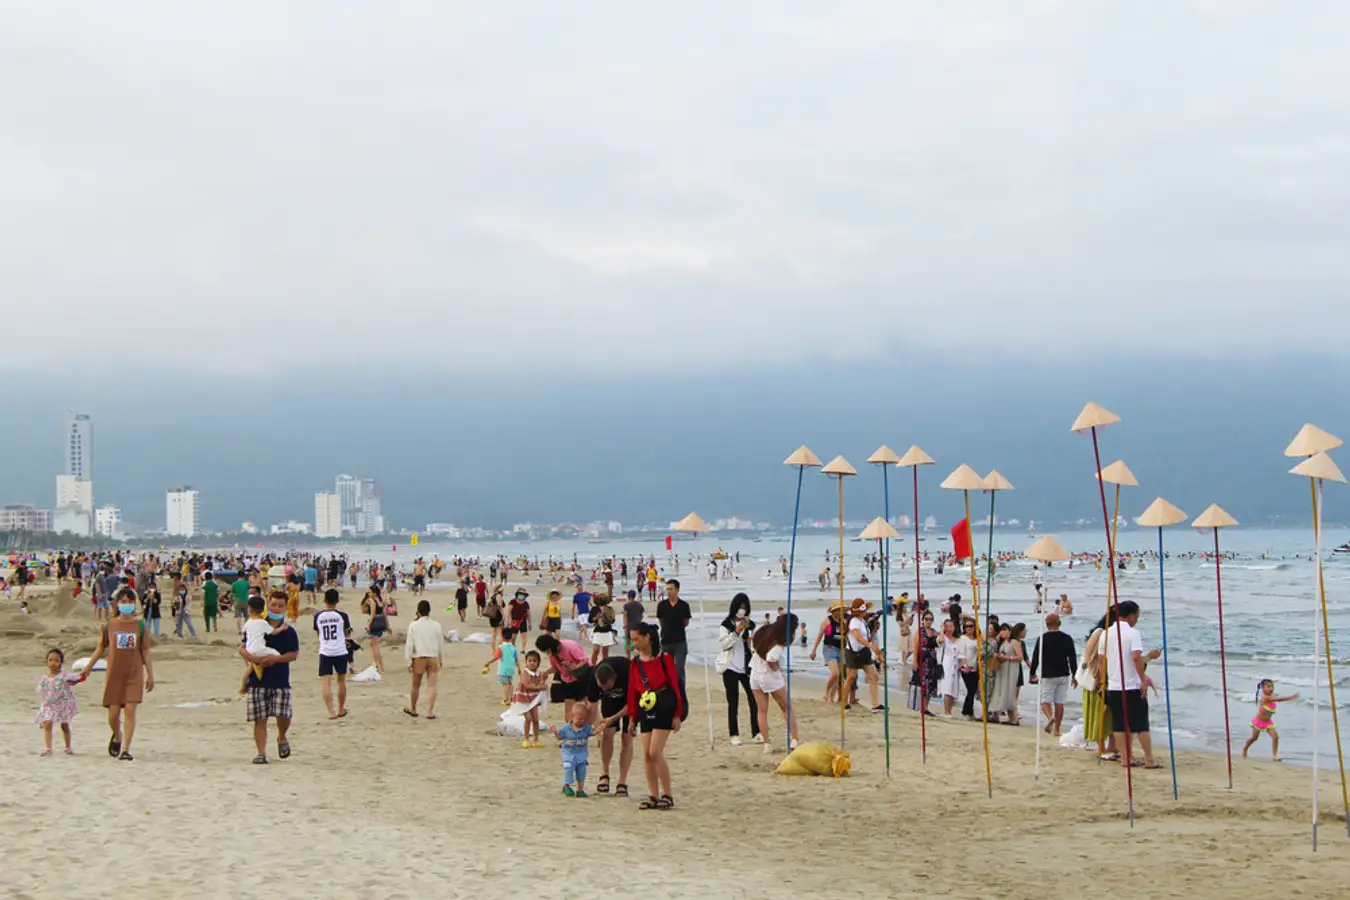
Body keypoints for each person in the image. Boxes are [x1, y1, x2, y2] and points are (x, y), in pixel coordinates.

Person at [600, 622, 682, 810]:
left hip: (664, 706)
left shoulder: (665, 658)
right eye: (632, 640)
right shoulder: (635, 663)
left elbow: (675, 687)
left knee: (655, 751)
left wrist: (677, 714)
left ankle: (667, 794)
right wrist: (631, 717)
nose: (634, 643)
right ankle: (653, 796)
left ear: (648, 637)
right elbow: (632, 692)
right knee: (646, 754)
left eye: (637, 639)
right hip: (645, 708)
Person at [80, 587, 155, 761]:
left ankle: (126, 750)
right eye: (123, 601)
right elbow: (101, 648)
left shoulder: (141, 626)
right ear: (117, 604)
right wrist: (88, 667)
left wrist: (150, 675)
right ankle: (116, 735)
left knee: (130, 710)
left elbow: (145, 651)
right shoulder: (109, 625)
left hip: (134, 673)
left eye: (130, 601)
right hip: (114, 673)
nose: (126, 604)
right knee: (113, 714)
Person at [238, 592, 300, 764]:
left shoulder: (289, 632)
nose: (276, 608)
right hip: (258, 680)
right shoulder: (257, 625)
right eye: (273, 605)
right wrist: (254, 659)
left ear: (286, 608)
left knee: (283, 715)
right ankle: (261, 752)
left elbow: (294, 655)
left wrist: (275, 659)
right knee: (260, 718)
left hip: (280, 679)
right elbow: (243, 647)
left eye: (280, 605)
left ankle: (281, 737)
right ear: (267, 606)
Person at [1103, 600, 1162, 769]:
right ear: (1130, 615)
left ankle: (1125, 758)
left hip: (1114, 685)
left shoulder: (1106, 633)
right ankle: (1149, 759)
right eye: (1137, 615)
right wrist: (1143, 678)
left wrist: (1104, 681)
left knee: (1119, 724)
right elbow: (1136, 658)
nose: (1137, 619)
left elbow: (1102, 659)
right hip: (1131, 685)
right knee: (1140, 724)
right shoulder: (1133, 633)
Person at [750, 613, 800, 753]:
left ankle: (766, 744)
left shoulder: (763, 631)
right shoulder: (779, 642)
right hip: (770, 676)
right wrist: (776, 667)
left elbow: (753, 646)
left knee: (761, 710)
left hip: (755, 674)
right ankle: (794, 739)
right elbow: (771, 658)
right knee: (786, 707)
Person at [715, 593, 761, 746]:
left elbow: (755, 645)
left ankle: (756, 732)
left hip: (747, 667)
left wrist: (751, 641)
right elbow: (723, 645)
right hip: (730, 667)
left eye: (745, 608)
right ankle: (734, 734)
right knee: (733, 701)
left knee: (753, 699)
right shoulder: (726, 625)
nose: (742, 610)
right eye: (740, 607)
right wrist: (737, 631)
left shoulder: (751, 625)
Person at [588, 658, 634, 798]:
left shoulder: (629, 673)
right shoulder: (594, 676)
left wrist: (612, 719)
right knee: (607, 735)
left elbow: (632, 705)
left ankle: (622, 781)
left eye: (607, 687)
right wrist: (593, 729)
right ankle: (605, 774)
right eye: (601, 688)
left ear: (614, 679)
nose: (603, 689)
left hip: (630, 702)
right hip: (610, 701)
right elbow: (592, 707)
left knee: (627, 738)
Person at [1029, 613, 1077, 736]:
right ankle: (1057, 730)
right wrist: (1075, 675)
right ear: (1059, 623)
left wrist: (1032, 672)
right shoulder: (1067, 638)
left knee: (1045, 701)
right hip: (1063, 673)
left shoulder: (1042, 638)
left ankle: (1050, 717)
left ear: (1047, 624)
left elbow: (1036, 657)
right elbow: (1072, 658)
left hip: (1048, 674)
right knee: (1059, 702)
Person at [35, 647, 81, 756]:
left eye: (56, 660)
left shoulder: (64, 675)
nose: (53, 663)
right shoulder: (45, 678)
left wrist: (80, 676)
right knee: (47, 724)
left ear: (61, 662)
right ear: (46, 662)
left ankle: (68, 747)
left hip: (63, 705)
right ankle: (48, 749)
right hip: (49, 705)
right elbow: (42, 690)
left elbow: (74, 680)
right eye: (50, 660)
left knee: (64, 726)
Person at [314, 588, 351, 720]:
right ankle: (341, 709)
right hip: (340, 650)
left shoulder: (318, 616)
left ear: (324, 600)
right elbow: (347, 632)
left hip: (325, 651)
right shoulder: (342, 615)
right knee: (341, 681)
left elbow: (318, 633)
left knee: (326, 682)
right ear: (337, 601)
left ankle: (331, 712)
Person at [536, 633, 591, 721]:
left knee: (589, 704)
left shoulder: (570, 646)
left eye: (547, 651)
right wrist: (547, 672)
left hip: (583, 676)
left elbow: (584, 660)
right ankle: (569, 730)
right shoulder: (552, 654)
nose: (548, 653)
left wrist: (574, 667)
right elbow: (556, 667)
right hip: (568, 680)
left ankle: (594, 727)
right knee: (569, 706)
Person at [548, 701, 598, 797]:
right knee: (569, 770)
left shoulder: (586, 728)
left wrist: (600, 728)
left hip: (581, 755)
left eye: (583, 719)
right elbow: (559, 737)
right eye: (579, 719)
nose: (581, 721)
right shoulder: (566, 728)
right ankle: (566, 786)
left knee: (582, 772)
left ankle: (580, 790)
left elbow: (593, 732)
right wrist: (555, 732)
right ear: (572, 716)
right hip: (569, 754)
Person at [404, 600, 443, 718]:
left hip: (419, 656)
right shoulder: (436, 625)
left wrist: (408, 661)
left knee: (416, 685)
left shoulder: (413, 625)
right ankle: (430, 712)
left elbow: (410, 644)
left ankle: (413, 708)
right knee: (432, 685)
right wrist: (441, 658)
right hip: (433, 656)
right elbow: (440, 643)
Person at [1243, 678, 1299, 762]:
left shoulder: (1272, 697)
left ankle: (1274, 755)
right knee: (1254, 738)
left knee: (1275, 737)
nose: (1271, 688)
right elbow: (1279, 699)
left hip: (1268, 722)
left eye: (1272, 686)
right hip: (1258, 722)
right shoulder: (1265, 698)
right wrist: (1291, 697)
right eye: (1268, 686)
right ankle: (1244, 749)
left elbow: (1276, 699)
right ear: (1263, 688)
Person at [843, 599, 883, 712]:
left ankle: (875, 704)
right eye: (865, 609)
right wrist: (871, 646)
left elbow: (866, 637)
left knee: (873, 675)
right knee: (851, 678)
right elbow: (858, 638)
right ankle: (844, 702)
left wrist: (874, 633)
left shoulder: (863, 622)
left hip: (864, 651)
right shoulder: (854, 622)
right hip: (853, 653)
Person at [656, 579, 692, 685]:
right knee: (666, 669)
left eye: (671, 589)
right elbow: (661, 621)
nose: (669, 592)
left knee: (679, 668)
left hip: (680, 641)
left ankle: (681, 690)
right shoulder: (662, 605)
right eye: (667, 589)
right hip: (666, 641)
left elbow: (686, 622)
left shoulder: (684, 605)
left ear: (677, 590)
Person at [809, 602, 845, 704]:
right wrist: (814, 650)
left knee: (838, 676)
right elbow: (819, 635)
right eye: (837, 610)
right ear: (833, 611)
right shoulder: (827, 621)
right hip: (829, 648)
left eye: (840, 610)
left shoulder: (843, 621)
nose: (839, 612)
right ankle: (826, 693)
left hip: (841, 649)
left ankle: (831, 698)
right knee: (834, 673)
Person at [511, 650, 548, 748]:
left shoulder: (538, 673)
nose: (532, 663)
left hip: (533, 698)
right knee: (528, 718)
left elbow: (540, 683)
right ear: (526, 662)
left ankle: (535, 739)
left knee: (536, 719)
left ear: (538, 663)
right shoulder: (525, 673)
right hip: (523, 698)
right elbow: (526, 685)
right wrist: (540, 687)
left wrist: (544, 680)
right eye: (530, 660)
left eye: (534, 661)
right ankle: (526, 739)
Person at [989, 623, 1020, 724]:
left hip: (1011, 668)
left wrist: (1008, 658)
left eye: (1005, 630)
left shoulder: (1014, 642)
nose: (1003, 632)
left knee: (1009, 690)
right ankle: (999, 714)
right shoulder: (1001, 643)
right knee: (1001, 689)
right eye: (1001, 630)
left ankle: (1014, 717)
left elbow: (1020, 657)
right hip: (1002, 669)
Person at [908, 610, 938, 716]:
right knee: (923, 684)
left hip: (932, 661)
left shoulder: (934, 632)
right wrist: (915, 661)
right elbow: (915, 647)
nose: (928, 621)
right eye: (926, 619)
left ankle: (925, 707)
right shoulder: (920, 632)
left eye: (930, 619)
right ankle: (920, 707)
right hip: (923, 660)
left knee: (931, 685)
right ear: (923, 620)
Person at [955, 617, 981, 719]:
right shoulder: (962, 639)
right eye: (967, 626)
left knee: (974, 690)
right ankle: (966, 711)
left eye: (971, 626)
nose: (969, 628)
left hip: (976, 667)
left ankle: (970, 711)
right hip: (966, 668)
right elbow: (961, 654)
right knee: (971, 689)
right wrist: (965, 666)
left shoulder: (977, 638)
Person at [936, 619, 963, 717]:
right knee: (947, 688)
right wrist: (942, 630)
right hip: (946, 666)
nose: (950, 628)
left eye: (952, 626)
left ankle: (949, 710)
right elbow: (940, 641)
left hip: (955, 666)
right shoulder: (942, 638)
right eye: (948, 626)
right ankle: (946, 711)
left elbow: (961, 653)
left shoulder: (957, 639)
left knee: (953, 688)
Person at [362, 585, 389, 674]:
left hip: (374, 624)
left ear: (374, 592)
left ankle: (380, 666)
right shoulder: (380, 600)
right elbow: (384, 613)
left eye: (370, 592)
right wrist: (387, 626)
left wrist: (369, 625)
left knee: (375, 646)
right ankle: (377, 664)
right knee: (372, 644)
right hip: (381, 623)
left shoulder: (372, 601)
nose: (368, 594)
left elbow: (372, 614)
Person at [484, 639, 519, 705]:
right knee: (510, 683)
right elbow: (516, 659)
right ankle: (512, 698)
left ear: (502, 638)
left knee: (505, 684)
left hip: (503, 669)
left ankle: (507, 700)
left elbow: (496, 657)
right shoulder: (514, 647)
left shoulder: (501, 647)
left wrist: (488, 662)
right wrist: (519, 668)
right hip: (511, 669)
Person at [622, 590, 644, 656]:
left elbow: (625, 616)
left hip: (629, 626)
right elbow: (641, 616)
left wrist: (625, 627)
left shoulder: (626, 605)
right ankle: (640, 657)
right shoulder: (639, 604)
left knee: (628, 643)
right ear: (635, 596)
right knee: (638, 642)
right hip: (638, 625)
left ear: (628, 596)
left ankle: (628, 658)